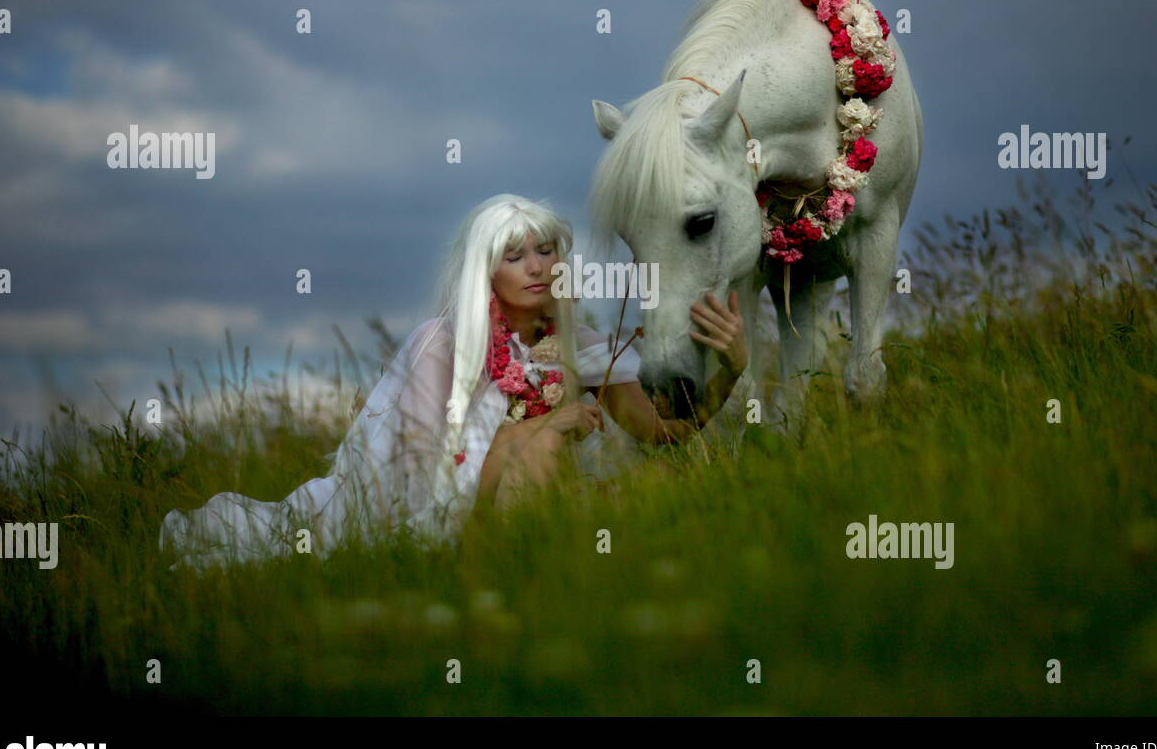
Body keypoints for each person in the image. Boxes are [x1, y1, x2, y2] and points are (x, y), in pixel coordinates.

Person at [158, 194, 748, 570]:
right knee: (543, 444)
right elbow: (422, 460)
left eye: (546, 252)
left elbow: (663, 433)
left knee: (633, 501)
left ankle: (535, 575)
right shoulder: (442, 345)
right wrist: (547, 424)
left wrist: (731, 371)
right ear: (485, 271)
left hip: (545, 500)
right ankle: (506, 574)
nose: (538, 267)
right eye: (516, 256)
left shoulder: (586, 348)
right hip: (436, 508)